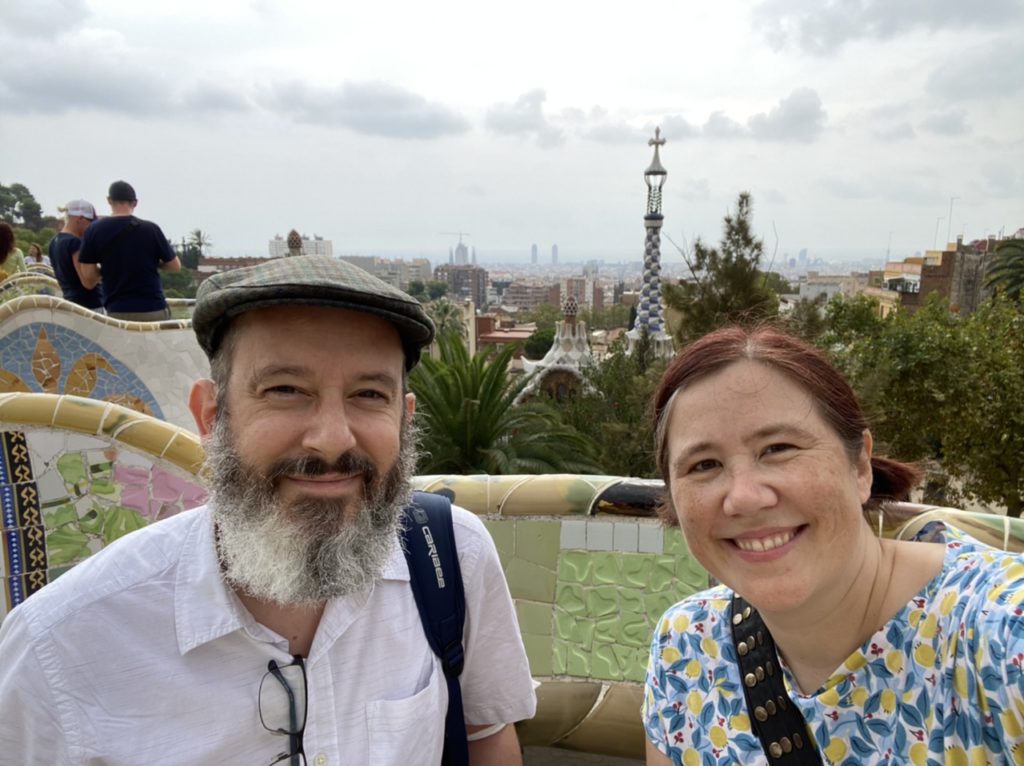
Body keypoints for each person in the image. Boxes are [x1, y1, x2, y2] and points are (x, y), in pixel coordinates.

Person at [0, 255, 536, 764]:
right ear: (212, 417)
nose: (331, 439)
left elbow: (485, 737)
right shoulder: (58, 650)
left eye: (370, 395)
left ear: (404, 418)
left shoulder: (451, 558)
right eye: (285, 389)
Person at [642, 325, 1024, 764]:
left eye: (778, 448)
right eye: (704, 465)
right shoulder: (686, 649)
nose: (745, 496)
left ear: (860, 465)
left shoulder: (1000, 633)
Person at [77, 180, 180, 321]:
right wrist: (152, 263)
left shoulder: (93, 230)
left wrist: (107, 268)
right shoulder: (151, 229)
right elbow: (175, 266)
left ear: (109, 200)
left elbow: (88, 279)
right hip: (153, 308)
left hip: (117, 311)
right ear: (135, 203)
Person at [49, 200, 103, 310]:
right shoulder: (75, 243)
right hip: (88, 306)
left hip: (70, 302)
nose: (91, 227)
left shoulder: (54, 242)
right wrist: (104, 269)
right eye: (90, 223)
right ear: (80, 219)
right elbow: (88, 282)